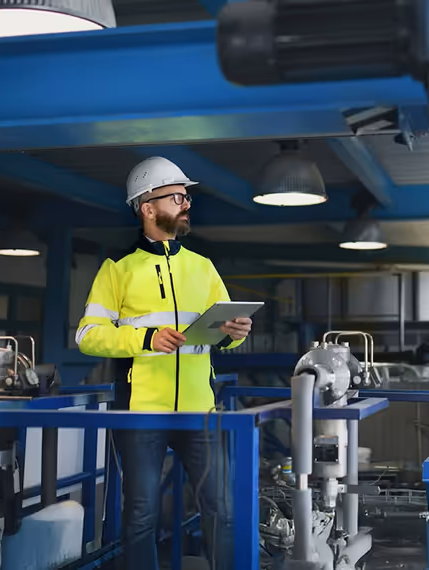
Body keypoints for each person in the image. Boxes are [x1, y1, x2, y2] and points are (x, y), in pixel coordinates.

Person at [75, 156, 251, 570]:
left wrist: (234, 331)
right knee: (140, 517)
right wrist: (146, 339)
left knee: (223, 510)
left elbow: (222, 333)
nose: (186, 204)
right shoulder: (117, 270)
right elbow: (87, 336)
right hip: (141, 413)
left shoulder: (203, 268)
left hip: (199, 411)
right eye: (177, 197)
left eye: (187, 197)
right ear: (147, 208)